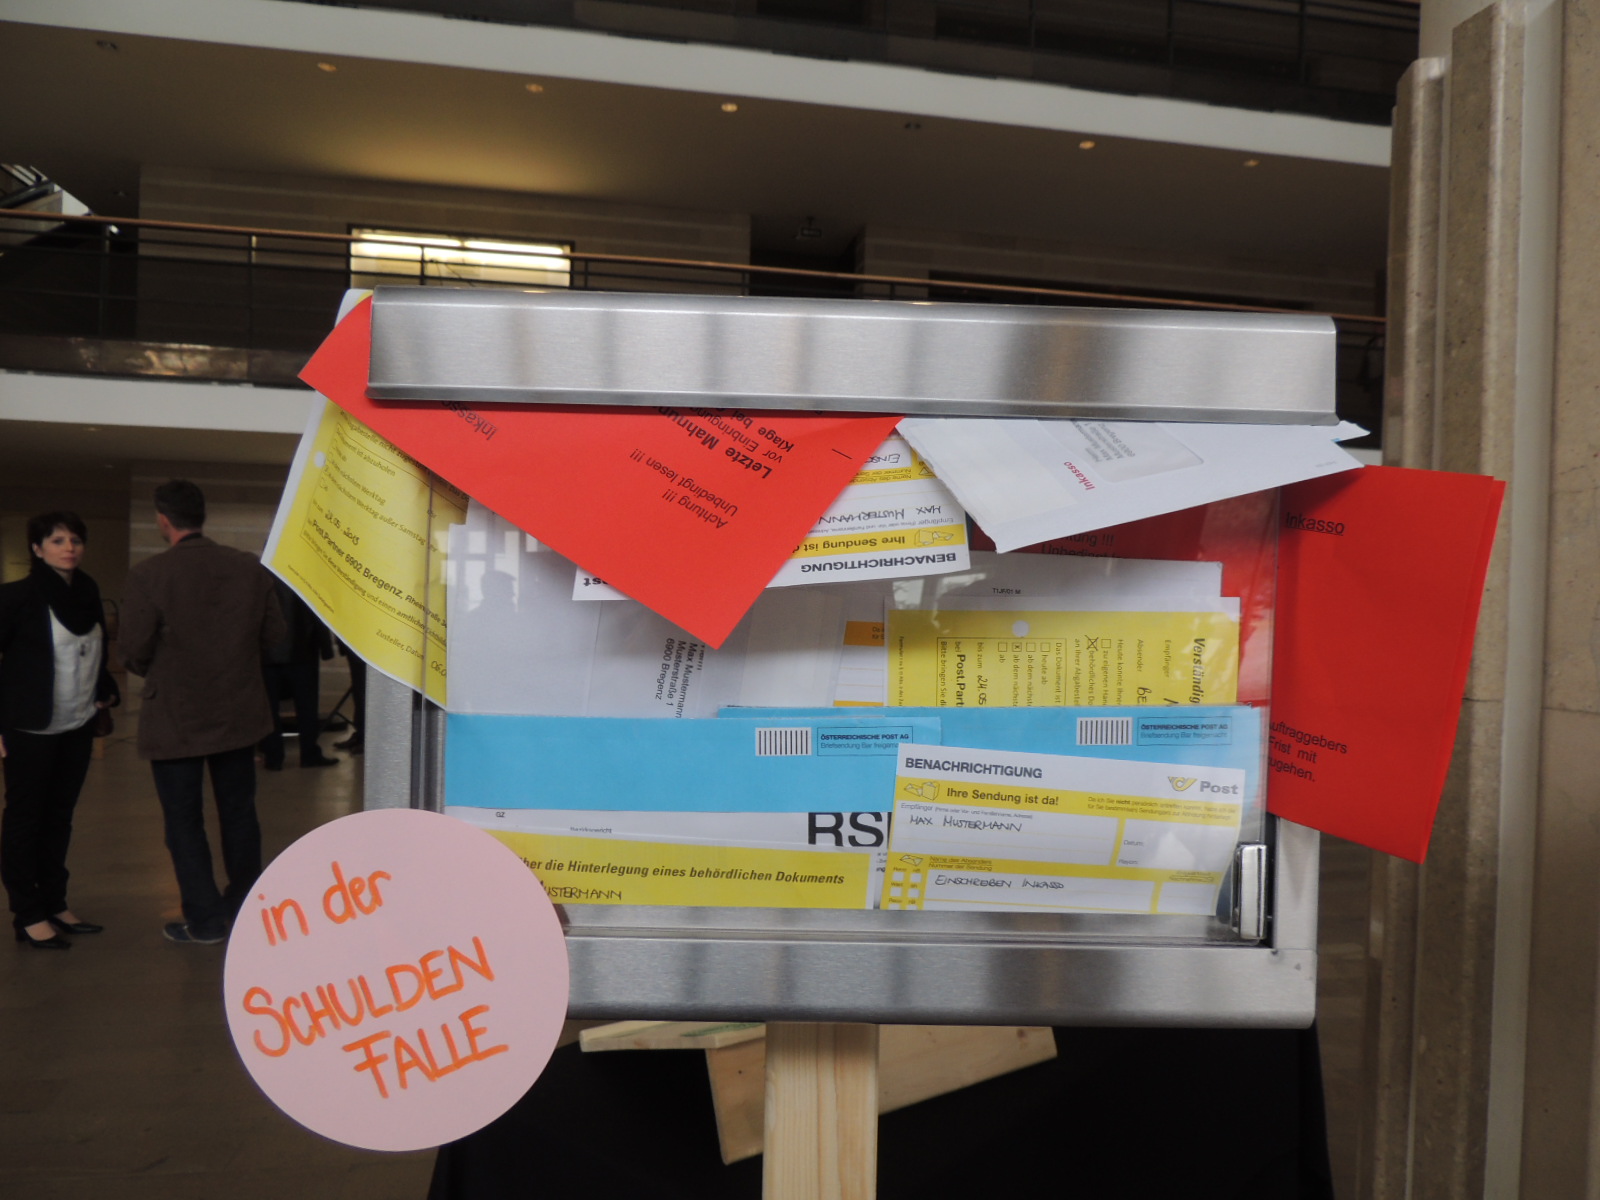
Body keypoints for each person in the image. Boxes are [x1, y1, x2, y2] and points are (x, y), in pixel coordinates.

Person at [121, 480, 285, 945]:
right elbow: (275, 636)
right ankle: (246, 909)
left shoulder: (150, 575)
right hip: (237, 712)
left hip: (176, 718)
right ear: (202, 515)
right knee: (239, 814)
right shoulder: (247, 569)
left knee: (184, 821)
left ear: (163, 520)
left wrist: (167, 668)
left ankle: (207, 921)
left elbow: (132, 650)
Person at [0, 512, 120, 950]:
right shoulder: (17, 597)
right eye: (56, 540)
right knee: (25, 819)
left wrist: (104, 691)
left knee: (59, 818)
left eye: (75, 540)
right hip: (29, 727)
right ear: (37, 549)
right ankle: (27, 912)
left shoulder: (87, 593)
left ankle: (55, 902)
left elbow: (95, 652)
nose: (69, 547)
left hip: (77, 724)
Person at [260, 578, 338, 770]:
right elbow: (317, 612)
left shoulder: (260, 575)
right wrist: (326, 649)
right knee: (307, 708)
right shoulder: (303, 574)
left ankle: (273, 757)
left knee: (269, 709)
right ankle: (309, 753)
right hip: (302, 650)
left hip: (267, 653)